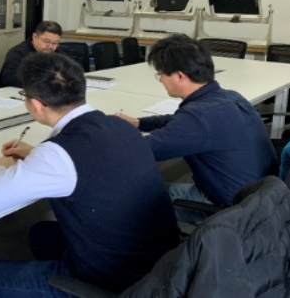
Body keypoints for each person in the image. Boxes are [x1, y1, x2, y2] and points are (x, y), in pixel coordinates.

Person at [0, 53, 181, 297]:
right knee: (42, 235)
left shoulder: (58, 154)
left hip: (121, 282)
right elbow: (90, 160)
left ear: (36, 104)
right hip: (162, 263)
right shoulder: (120, 125)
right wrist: (36, 154)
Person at [117, 33, 278, 224]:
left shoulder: (197, 117)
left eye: (161, 74)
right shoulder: (229, 97)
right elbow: (177, 122)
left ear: (179, 76)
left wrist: (104, 137)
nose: (160, 80)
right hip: (263, 196)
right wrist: (138, 123)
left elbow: (141, 150)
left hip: (233, 211)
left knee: (128, 198)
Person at [0, 20, 62, 87]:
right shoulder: (18, 52)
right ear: (35, 37)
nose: (51, 46)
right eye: (47, 41)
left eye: (55, 43)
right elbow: (9, 78)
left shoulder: (57, 53)